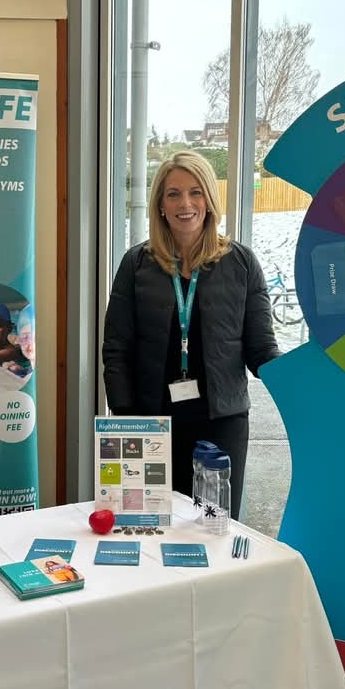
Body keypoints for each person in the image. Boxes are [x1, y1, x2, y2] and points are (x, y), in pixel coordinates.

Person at [102, 150, 280, 521]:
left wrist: (302, 378)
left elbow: (261, 350)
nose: (186, 204)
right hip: (149, 421)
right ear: (161, 205)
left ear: (210, 201)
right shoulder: (137, 264)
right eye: (174, 194)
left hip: (222, 423)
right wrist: (127, 419)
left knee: (212, 527)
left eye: (196, 192)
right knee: (147, 525)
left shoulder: (242, 263)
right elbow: (117, 349)